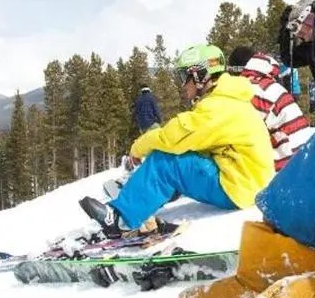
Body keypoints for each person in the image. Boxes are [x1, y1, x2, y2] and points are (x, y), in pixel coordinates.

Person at [78, 44, 275, 238]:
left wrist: (138, 148)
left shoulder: (218, 107)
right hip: (246, 181)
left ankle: (121, 221)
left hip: (239, 187)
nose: (182, 85)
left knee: (165, 162)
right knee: (178, 160)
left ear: (200, 76)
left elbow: (172, 137)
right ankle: (147, 198)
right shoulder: (228, 100)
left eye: (184, 77)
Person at [227, 46, 312, 172]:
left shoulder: (253, 91)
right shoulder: (266, 82)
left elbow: (242, 137)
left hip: (289, 165)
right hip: (303, 155)